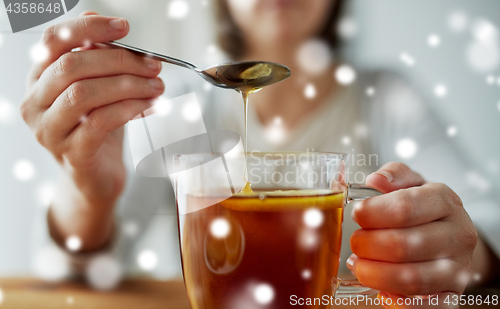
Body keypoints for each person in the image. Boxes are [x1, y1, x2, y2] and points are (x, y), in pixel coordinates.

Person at [21, 0, 500, 307]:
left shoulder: (388, 97)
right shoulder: (183, 107)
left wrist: (465, 253)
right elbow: (72, 277)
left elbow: (485, 223)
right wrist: (89, 191)